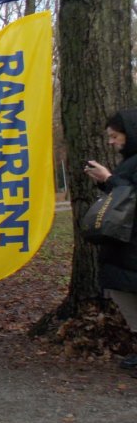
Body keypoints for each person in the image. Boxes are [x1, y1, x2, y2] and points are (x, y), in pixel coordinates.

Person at [84, 109, 137, 368]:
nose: (111, 142)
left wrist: (110, 179)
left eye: (115, 136)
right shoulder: (130, 161)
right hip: (124, 246)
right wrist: (106, 182)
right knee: (125, 295)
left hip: (131, 245)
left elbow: (131, 197)